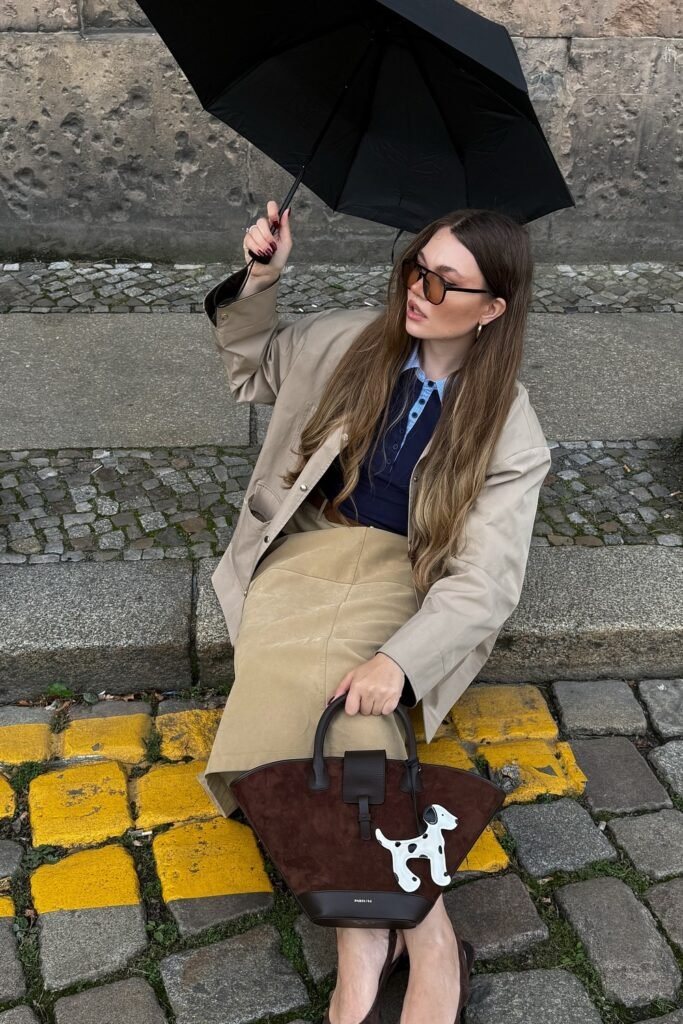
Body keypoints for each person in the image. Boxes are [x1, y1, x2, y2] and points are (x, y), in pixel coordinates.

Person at [199, 199, 551, 1024]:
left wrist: (399, 659)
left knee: (358, 703)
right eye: (414, 267)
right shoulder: (346, 341)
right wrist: (263, 277)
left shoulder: (509, 425)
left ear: (492, 308)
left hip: (406, 576)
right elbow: (249, 366)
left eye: (445, 281)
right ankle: (422, 931)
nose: (418, 290)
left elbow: (486, 579)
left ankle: (365, 962)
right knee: (289, 677)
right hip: (309, 549)